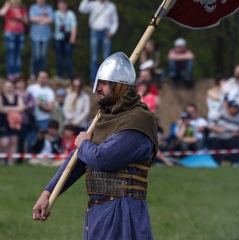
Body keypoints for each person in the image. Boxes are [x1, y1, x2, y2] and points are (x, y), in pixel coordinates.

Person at [32, 52, 158, 240]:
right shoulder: (101, 120)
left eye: (104, 83)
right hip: (98, 211)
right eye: (98, 82)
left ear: (120, 86)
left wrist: (83, 144)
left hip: (124, 212)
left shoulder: (138, 121)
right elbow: (76, 162)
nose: (98, 88)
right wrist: (48, 193)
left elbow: (102, 158)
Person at [78, 0, 119, 83]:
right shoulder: (93, 4)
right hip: (94, 32)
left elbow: (115, 21)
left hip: (106, 33)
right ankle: (93, 80)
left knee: (106, 58)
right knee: (94, 58)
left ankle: (106, 79)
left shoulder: (111, 6)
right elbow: (82, 9)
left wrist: (112, 32)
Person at [26, 71, 55, 152]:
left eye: (44, 77)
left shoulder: (50, 92)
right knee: (31, 139)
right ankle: (30, 157)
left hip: (44, 119)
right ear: (38, 78)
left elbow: (50, 108)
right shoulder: (30, 88)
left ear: (47, 79)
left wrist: (41, 105)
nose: (42, 79)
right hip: (32, 118)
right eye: (40, 77)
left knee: (43, 139)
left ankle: (41, 156)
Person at [0, 0, 28, 81]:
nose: (15, 4)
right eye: (14, 2)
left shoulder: (22, 10)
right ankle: (10, 74)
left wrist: (20, 17)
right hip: (10, 33)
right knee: (10, 53)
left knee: (18, 54)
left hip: (20, 33)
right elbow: (1, 13)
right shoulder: (8, 9)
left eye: (17, 2)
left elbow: (26, 21)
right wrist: (7, 5)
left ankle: (16, 73)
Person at [208, 98, 239, 166]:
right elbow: (211, 125)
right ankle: (219, 162)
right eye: (234, 108)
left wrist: (237, 134)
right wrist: (217, 129)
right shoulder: (220, 115)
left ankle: (233, 162)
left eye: (237, 108)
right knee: (213, 143)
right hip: (217, 137)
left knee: (237, 143)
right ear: (228, 108)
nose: (236, 110)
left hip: (230, 138)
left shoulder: (238, 118)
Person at [0, 80, 24, 165]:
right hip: (3, 122)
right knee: (4, 143)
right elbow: (1, 108)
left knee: (14, 142)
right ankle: (2, 159)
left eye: (10, 86)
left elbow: (21, 108)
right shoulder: (1, 96)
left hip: (15, 123)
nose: (8, 88)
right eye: (6, 86)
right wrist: (14, 109)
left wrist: (7, 109)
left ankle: (10, 161)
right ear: (3, 87)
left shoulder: (18, 97)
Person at [29, 0, 53, 79]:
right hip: (35, 35)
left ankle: (42, 74)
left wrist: (38, 19)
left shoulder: (49, 8)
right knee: (36, 55)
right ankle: (33, 73)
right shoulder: (33, 7)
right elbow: (32, 18)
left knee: (43, 55)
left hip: (46, 36)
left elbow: (50, 20)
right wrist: (44, 19)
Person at [53, 0, 77, 80]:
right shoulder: (55, 14)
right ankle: (59, 75)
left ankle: (69, 76)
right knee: (59, 57)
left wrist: (73, 37)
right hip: (57, 38)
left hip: (67, 38)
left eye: (63, 3)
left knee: (68, 57)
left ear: (66, 5)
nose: (62, 5)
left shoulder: (71, 14)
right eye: (60, 3)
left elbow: (74, 26)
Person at [14, 76, 35, 163]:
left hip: (24, 121)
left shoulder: (29, 95)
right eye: (19, 83)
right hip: (13, 121)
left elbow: (31, 106)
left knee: (22, 140)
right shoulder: (13, 94)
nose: (20, 85)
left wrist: (21, 107)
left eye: (22, 83)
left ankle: (20, 159)